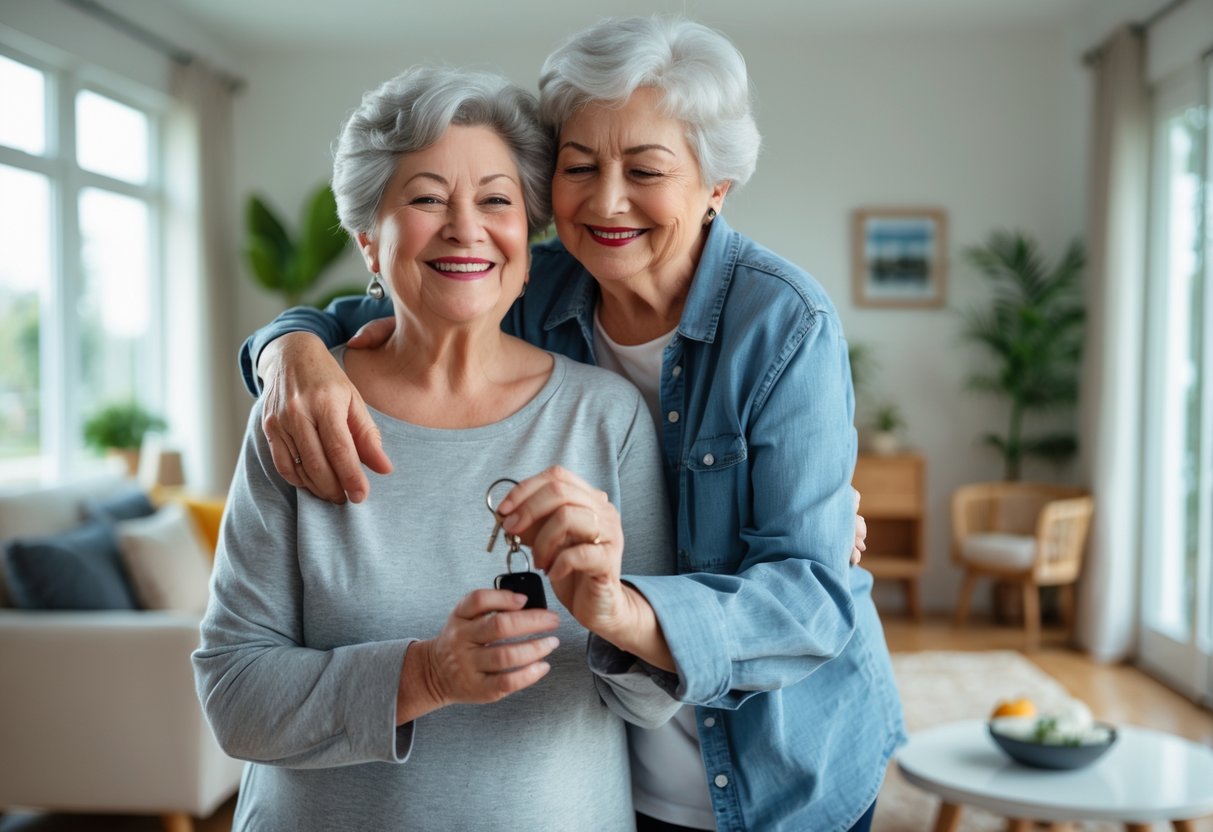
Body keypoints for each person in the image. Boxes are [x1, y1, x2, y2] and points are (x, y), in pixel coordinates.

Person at [241, 17, 905, 832]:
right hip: (619, 764)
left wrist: (622, 606)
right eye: (578, 166)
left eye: (645, 170)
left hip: (777, 766)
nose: (606, 200)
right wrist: (287, 349)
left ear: (715, 189)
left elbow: (807, 599)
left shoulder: (781, 323)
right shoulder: (536, 285)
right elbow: (392, 298)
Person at [194, 65, 683, 832]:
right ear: (368, 240)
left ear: (528, 240)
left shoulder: (607, 416)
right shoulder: (303, 415)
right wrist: (426, 673)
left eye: (496, 199)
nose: (465, 227)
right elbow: (234, 701)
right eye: (426, 198)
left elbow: (652, 704)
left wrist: (618, 613)